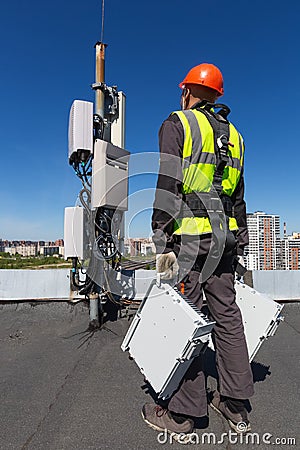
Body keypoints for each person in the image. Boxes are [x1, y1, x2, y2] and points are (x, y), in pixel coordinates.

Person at [141, 63, 254, 440]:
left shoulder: (179, 123)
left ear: (187, 91)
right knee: (227, 314)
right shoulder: (235, 135)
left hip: (190, 241)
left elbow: (168, 184)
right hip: (225, 240)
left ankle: (184, 415)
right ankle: (235, 403)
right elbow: (237, 197)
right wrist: (240, 244)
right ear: (217, 96)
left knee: (186, 321)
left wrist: (161, 236)